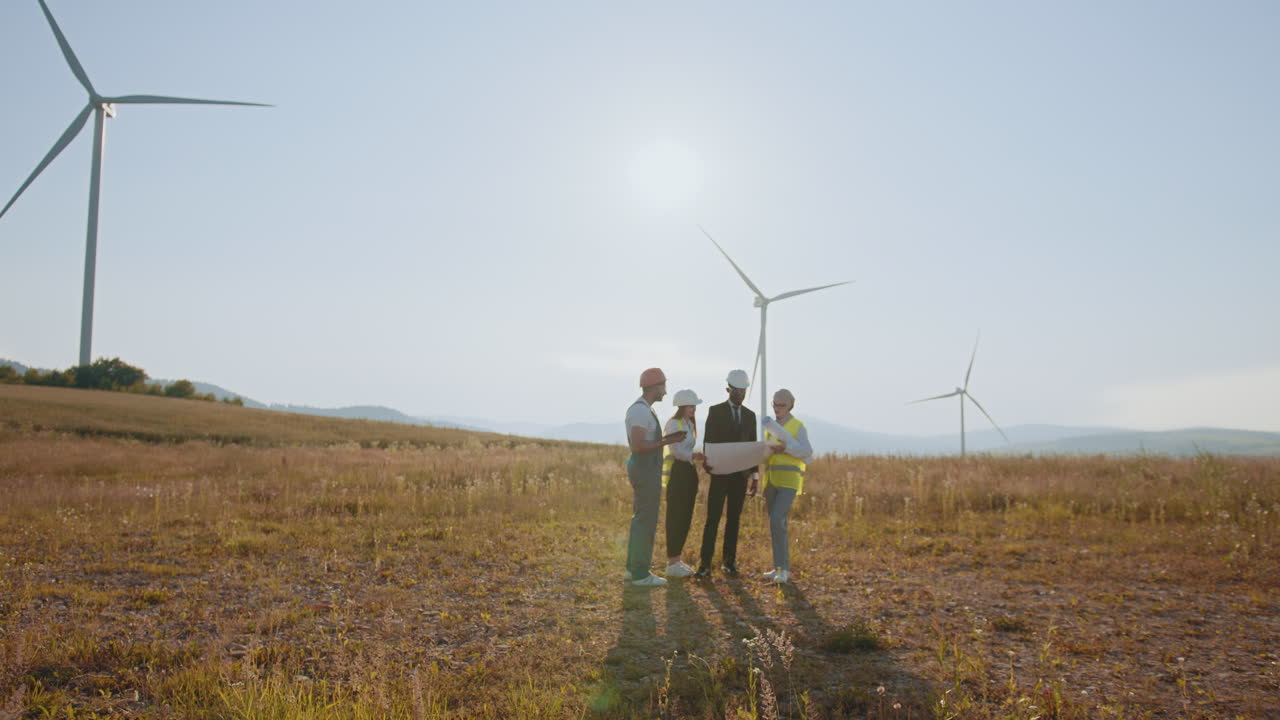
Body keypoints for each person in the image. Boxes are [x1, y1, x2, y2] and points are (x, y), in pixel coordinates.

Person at [624, 367, 687, 587]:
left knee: (642, 519)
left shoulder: (643, 410)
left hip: (646, 470)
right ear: (654, 387)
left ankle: (633, 570)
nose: (665, 391)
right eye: (663, 386)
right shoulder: (640, 412)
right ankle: (641, 574)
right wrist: (667, 441)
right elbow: (639, 445)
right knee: (646, 522)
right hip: (645, 471)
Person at [695, 369, 758, 579]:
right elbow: (708, 441)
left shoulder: (750, 416)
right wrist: (707, 462)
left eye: (743, 390)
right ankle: (705, 565)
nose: (740, 394)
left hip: (740, 477)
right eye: (736, 390)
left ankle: (729, 563)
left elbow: (752, 447)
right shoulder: (715, 411)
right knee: (712, 519)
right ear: (728, 389)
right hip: (720, 474)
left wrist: (755, 476)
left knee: (734, 519)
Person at [761, 388, 814, 584]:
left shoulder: (797, 426)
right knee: (776, 526)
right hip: (772, 480)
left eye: (781, 404)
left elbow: (807, 451)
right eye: (774, 404)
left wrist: (786, 448)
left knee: (777, 520)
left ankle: (784, 569)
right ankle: (778, 568)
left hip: (789, 482)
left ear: (791, 404)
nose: (777, 408)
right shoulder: (771, 426)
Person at [662, 389, 706, 579]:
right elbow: (676, 450)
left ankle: (677, 559)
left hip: (688, 471)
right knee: (676, 516)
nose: (693, 409)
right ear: (681, 406)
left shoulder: (688, 423)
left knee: (686, 516)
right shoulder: (673, 424)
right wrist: (693, 456)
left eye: (694, 406)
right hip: (678, 472)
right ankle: (672, 562)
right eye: (690, 405)